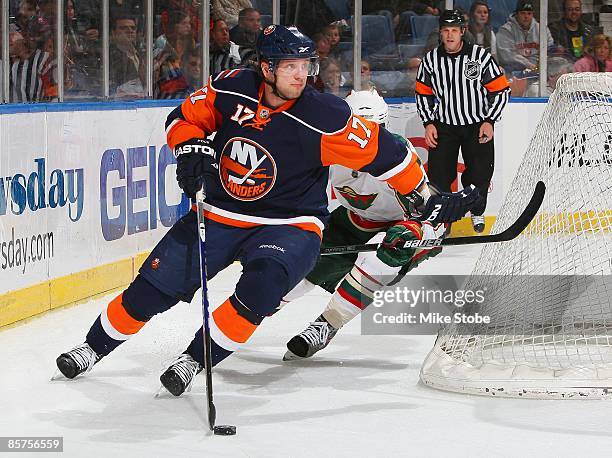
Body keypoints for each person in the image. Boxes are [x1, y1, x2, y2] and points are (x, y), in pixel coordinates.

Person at [55, 25, 481, 397]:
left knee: (262, 290)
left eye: (306, 65)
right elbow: (182, 118)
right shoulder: (228, 87)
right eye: (291, 66)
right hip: (221, 212)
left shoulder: (326, 116)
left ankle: (195, 359)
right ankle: (94, 346)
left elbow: (391, 155)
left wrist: (429, 201)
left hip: (291, 223)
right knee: (151, 290)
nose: (302, 74)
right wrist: (187, 148)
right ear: (266, 67)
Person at [280, 89, 447, 360]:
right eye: (353, 129)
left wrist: (412, 233)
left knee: (386, 253)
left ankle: (327, 324)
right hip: (354, 220)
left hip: (405, 222)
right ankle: (254, 309)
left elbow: (427, 214)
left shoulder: (398, 157)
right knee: (299, 266)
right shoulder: (328, 150)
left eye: (371, 130)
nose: (361, 139)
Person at [416, 10, 510, 233]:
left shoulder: (480, 56)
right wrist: (428, 122)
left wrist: (490, 120)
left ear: (462, 32)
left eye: (454, 31)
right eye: (446, 31)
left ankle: (477, 211)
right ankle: (444, 219)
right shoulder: (430, 60)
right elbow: (423, 94)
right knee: (439, 177)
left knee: (480, 174)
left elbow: (500, 90)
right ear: (440, 33)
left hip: (477, 125)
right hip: (444, 126)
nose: (450, 35)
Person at [496, 0, 554, 73]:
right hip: (515, 70)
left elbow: (550, 49)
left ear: (533, 14)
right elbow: (507, 56)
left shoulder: (542, 29)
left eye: (529, 13)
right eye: (522, 13)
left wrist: (540, 66)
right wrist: (529, 65)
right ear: (516, 14)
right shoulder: (505, 30)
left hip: (540, 69)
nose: (526, 16)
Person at [109, 14, 145, 98]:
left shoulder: (142, 54)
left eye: (133, 28)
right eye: (123, 28)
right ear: (113, 33)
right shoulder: (110, 58)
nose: (130, 31)